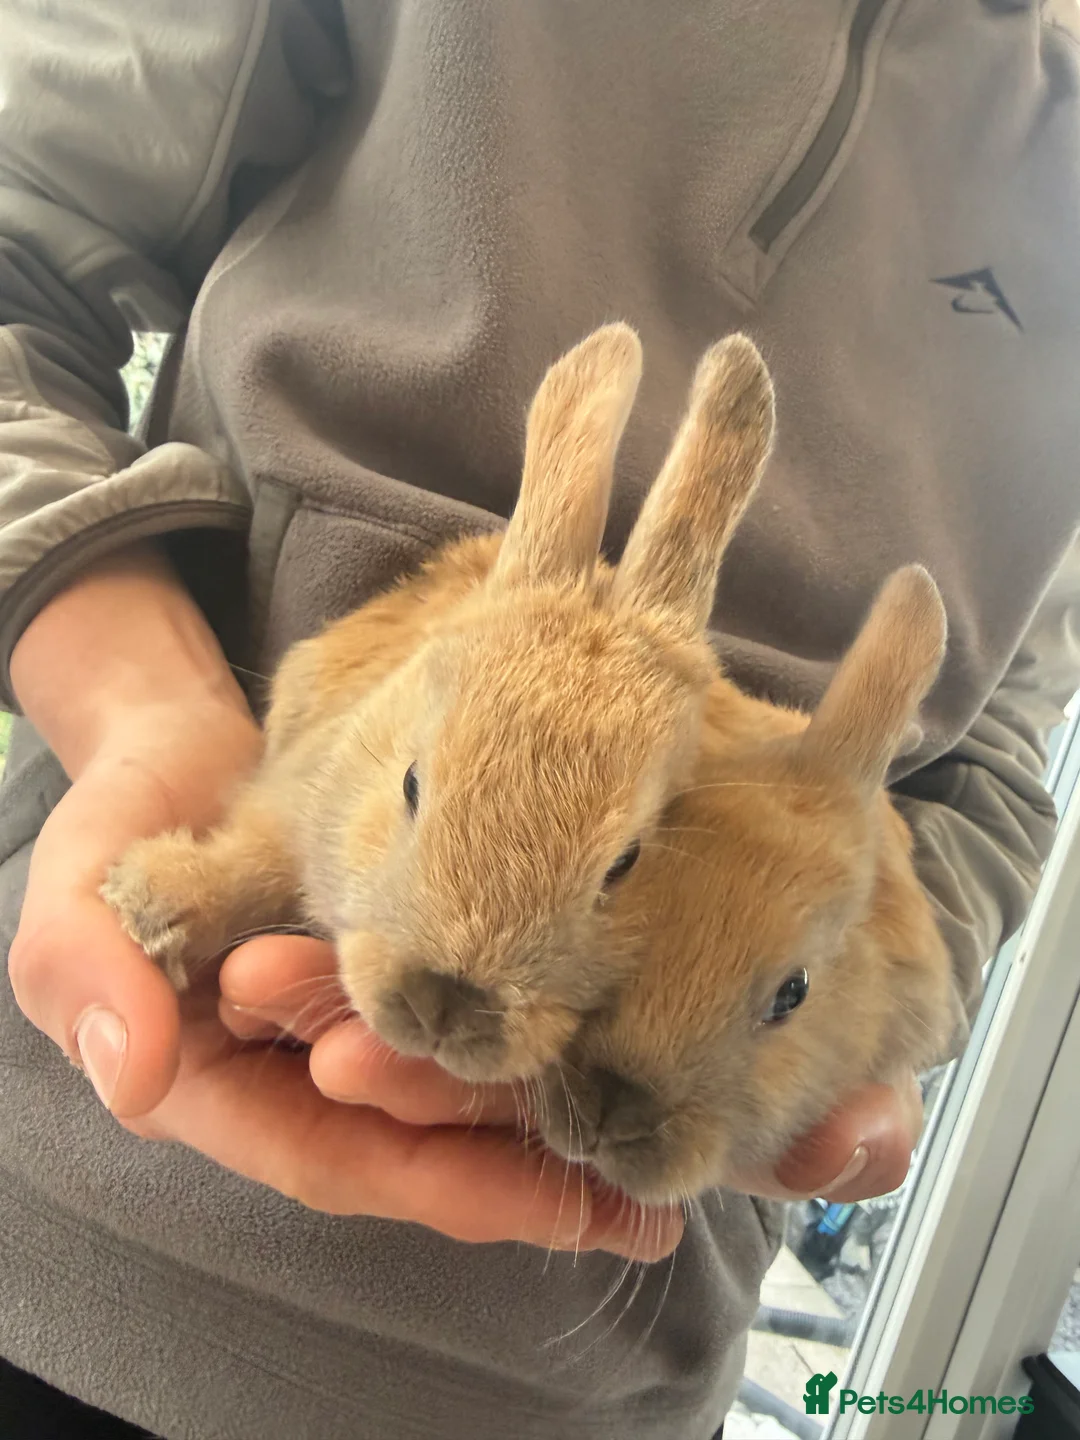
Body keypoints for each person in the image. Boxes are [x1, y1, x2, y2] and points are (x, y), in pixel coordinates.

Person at [1, 3, 1078, 1437]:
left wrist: (818, 987)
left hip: (586, 1353)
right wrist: (149, 715)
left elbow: (992, 761)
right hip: (53, 1200)